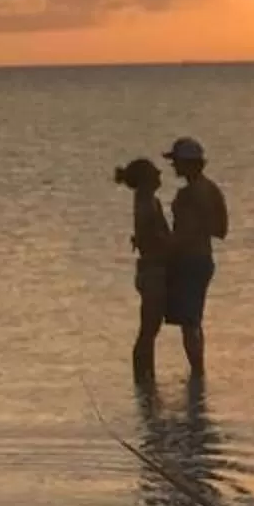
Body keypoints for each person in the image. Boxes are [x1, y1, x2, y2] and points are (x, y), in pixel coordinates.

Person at [162, 137, 228, 375]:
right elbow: (221, 230)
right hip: (204, 260)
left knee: (189, 324)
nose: (174, 167)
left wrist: (161, 246)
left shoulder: (189, 194)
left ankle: (197, 373)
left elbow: (183, 235)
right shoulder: (211, 190)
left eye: (177, 162)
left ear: (189, 163)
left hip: (188, 262)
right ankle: (198, 376)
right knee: (194, 321)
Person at [115, 157, 171, 375]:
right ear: (147, 179)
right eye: (155, 172)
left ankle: (146, 379)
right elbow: (153, 236)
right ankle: (143, 376)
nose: (160, 174)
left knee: (151, 328)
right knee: (148, 329)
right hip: (152, 270)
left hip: (153, 269)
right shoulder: (146, 202)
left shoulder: (148, 200)